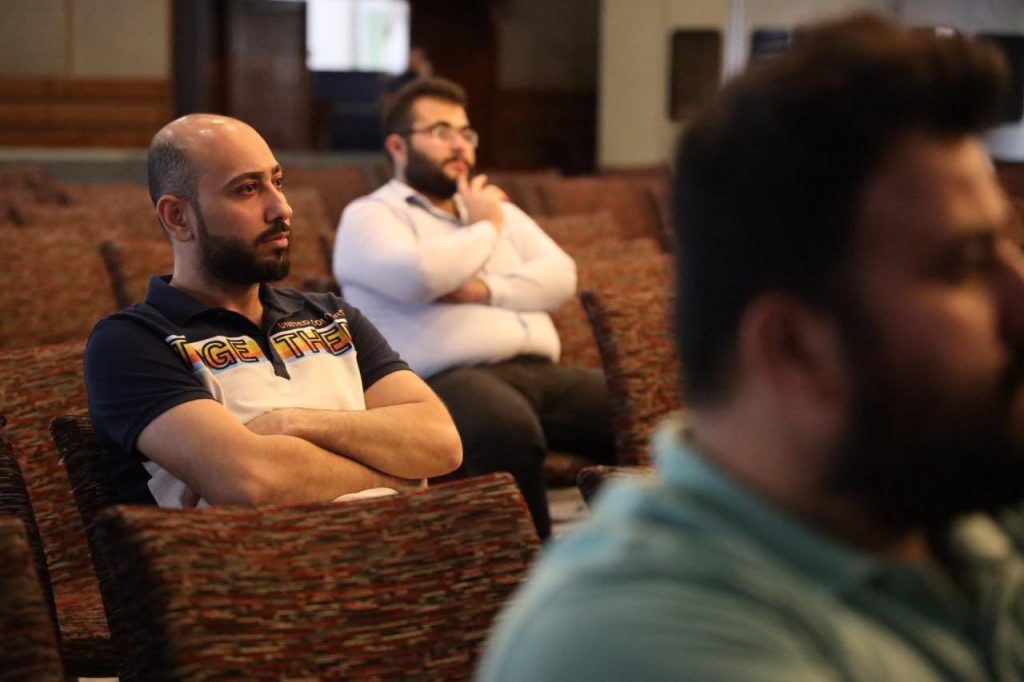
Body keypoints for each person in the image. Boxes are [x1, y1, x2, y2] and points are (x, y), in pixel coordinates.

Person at [478, 14, 1024, 680]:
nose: (1017, 298)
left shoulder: (949, 504)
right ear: (795, 349)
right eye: (963, 266)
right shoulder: (637, 642)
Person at [84, 114, 462, 508]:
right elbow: (253, 481)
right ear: (178, 217)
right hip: (271, 549)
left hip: (395, 540)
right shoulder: (131, 343)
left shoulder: (333, 316)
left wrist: (291, 422)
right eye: (247, 189)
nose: (282, 208)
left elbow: (442, 442)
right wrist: (396, 476)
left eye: (277, 183)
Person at [333, 77, 613, 539]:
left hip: (539, 371)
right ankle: (526, 570)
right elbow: (421, 276)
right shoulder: (371, 215)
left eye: (466, 133)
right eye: (442, 132)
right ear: (398, 145)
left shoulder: (488, 207)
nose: (460, 144)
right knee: (507, 430)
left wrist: (484, 289)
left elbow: (561, 275)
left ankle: (651, 558)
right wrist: (485, 229)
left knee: (644, 417)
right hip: (444, 380)